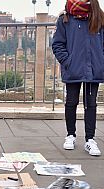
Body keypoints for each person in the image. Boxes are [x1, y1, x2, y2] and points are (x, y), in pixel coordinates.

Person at [52, 0, 104, 156]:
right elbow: (57, 44)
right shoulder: (65, 19)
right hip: (73, 68)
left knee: (91, 104)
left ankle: (90, 139)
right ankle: (70, 135)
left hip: (94, 67)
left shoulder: (99, 18)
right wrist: (68, 62)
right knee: (71, 102)